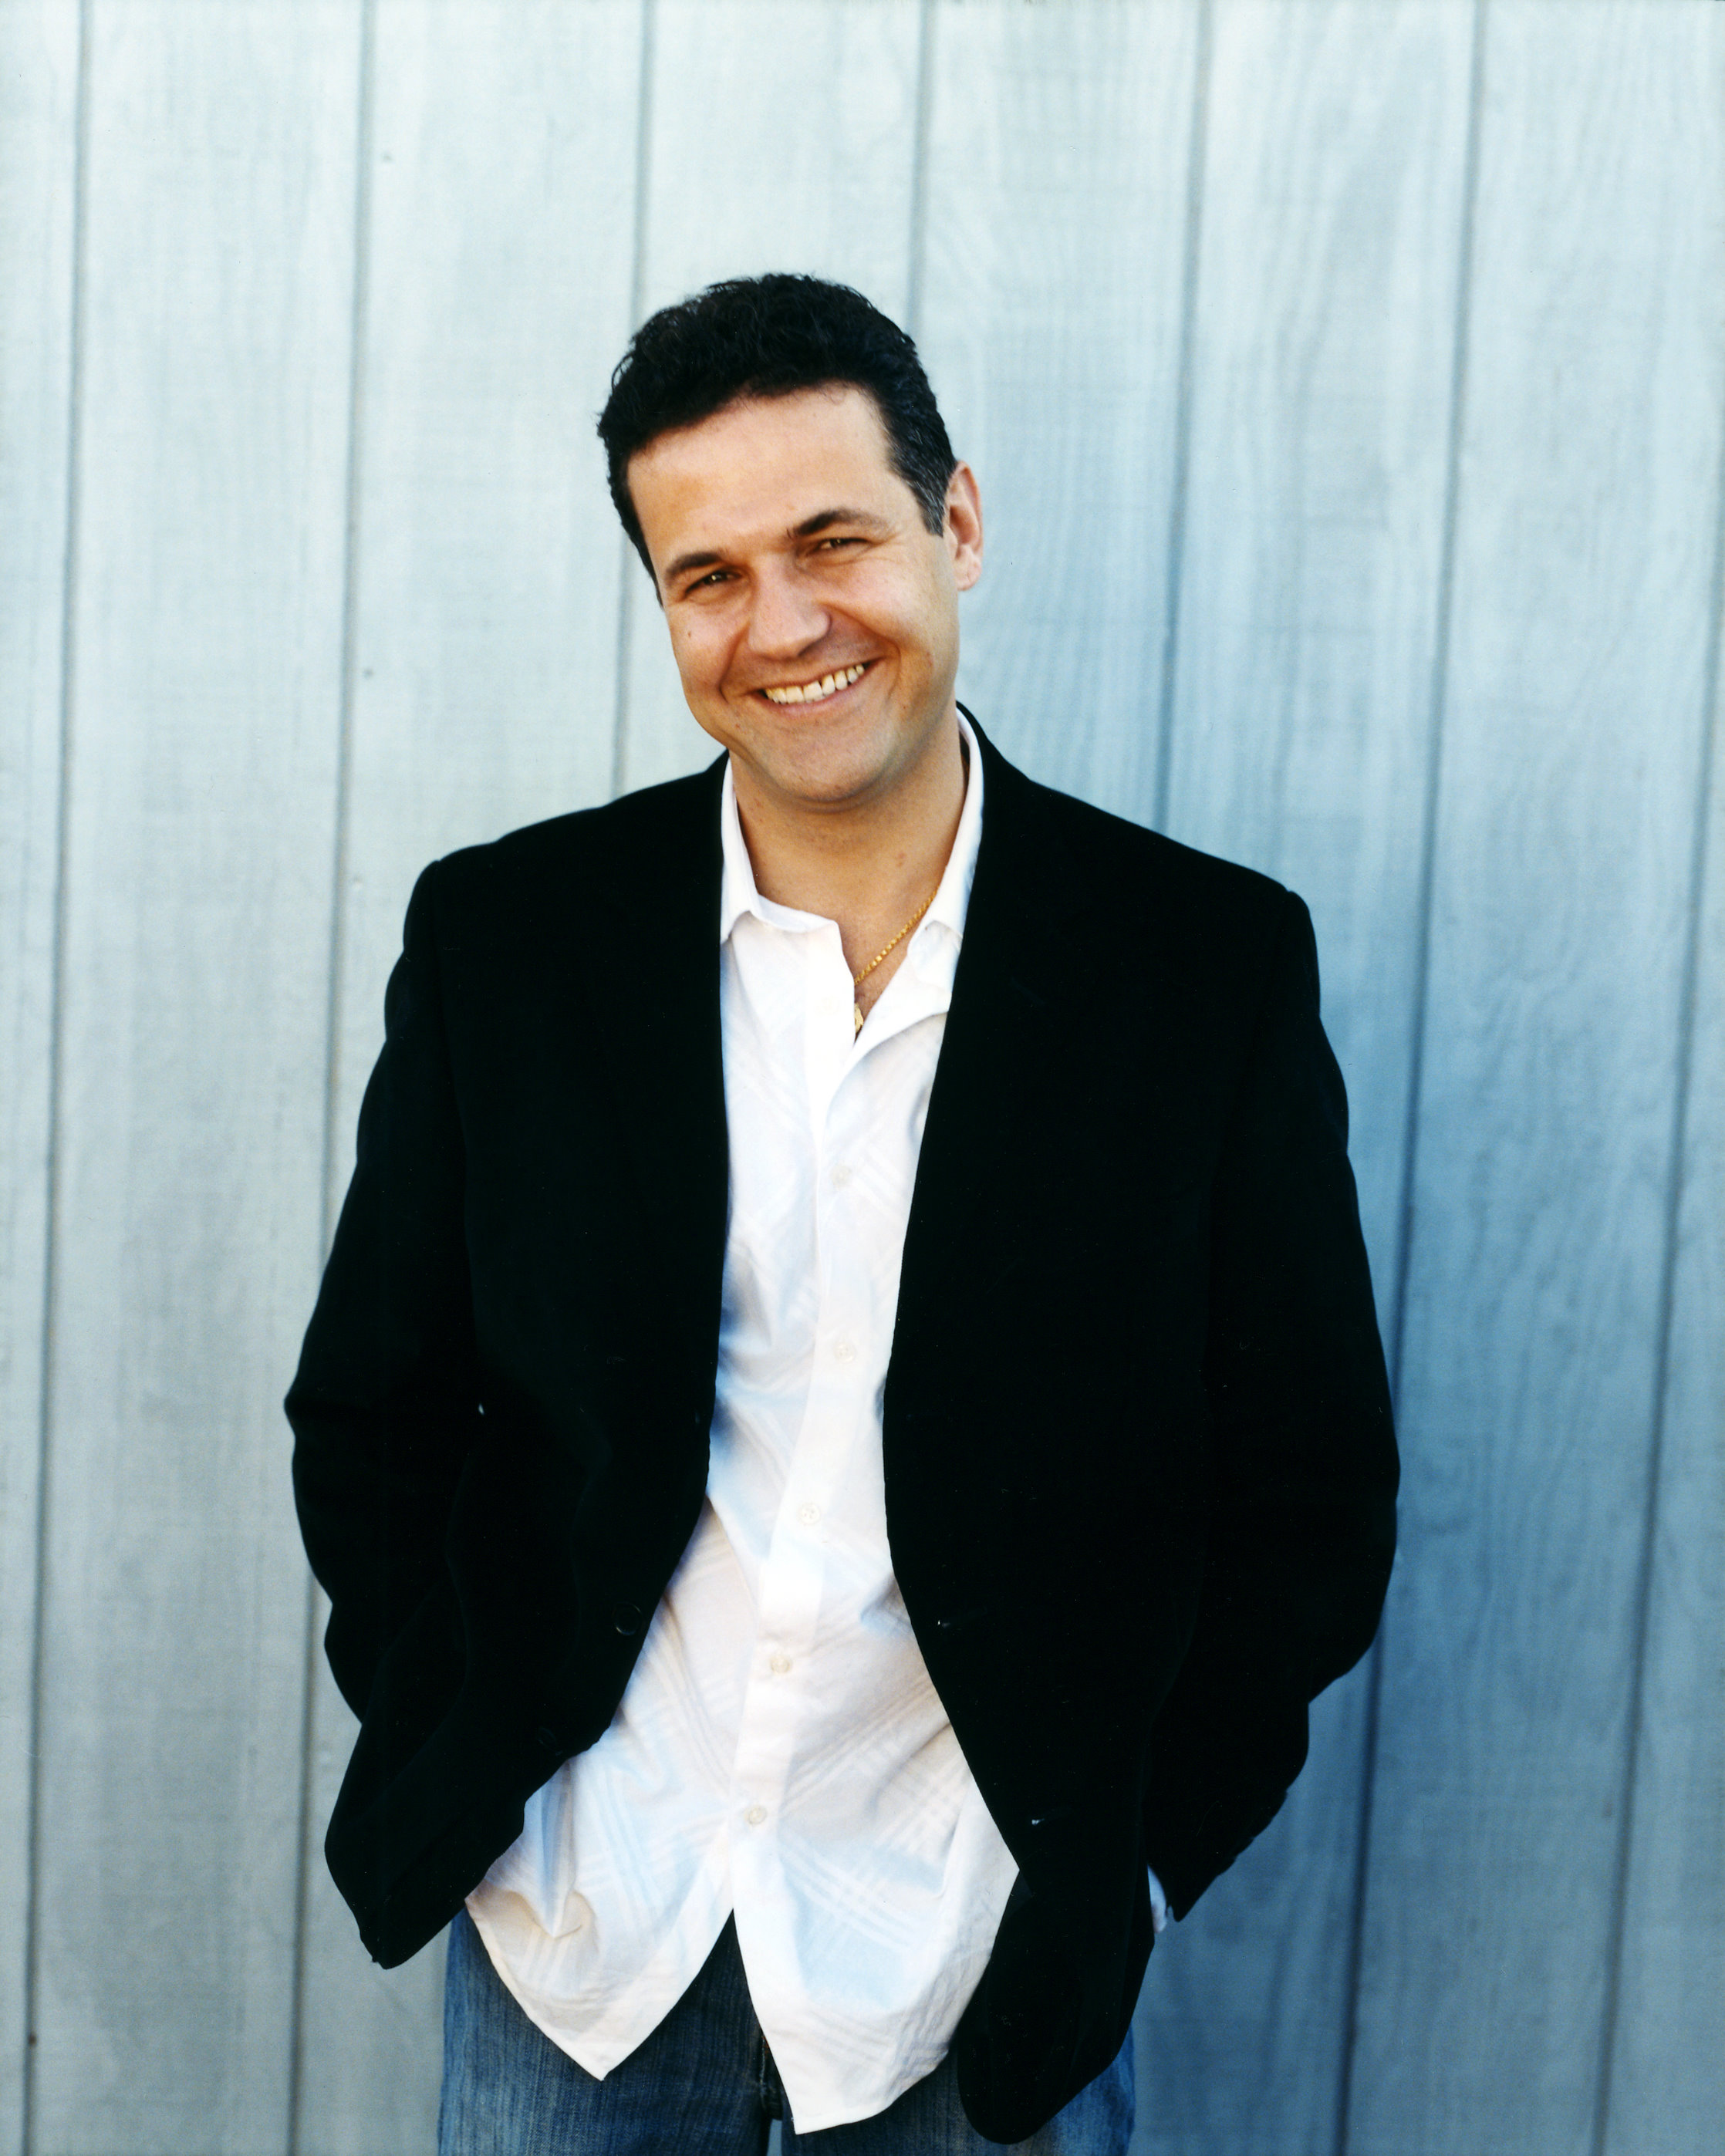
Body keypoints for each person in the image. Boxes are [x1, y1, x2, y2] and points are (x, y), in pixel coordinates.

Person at [287, 274, 1397, 2154]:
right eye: (707, 575)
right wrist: (461, 1746)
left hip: (971, 1966)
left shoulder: (1195, 968)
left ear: (953, 520)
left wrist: (1126, 1863)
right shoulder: (511, 942)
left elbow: (1306, 1491)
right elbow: (374, 1415)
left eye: (832, 541)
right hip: (586, 1928)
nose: (783, 626)